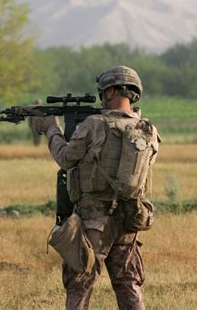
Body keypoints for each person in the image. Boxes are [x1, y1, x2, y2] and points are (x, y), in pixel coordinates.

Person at [33, 66, 160, 309]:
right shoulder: (147, 130)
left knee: (79, 284)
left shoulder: (93, 124)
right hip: (129, 217)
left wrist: (51, 128)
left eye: (103, 91)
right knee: (128, 283)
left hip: (94, 220)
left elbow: (66, 158)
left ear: (111, 90)